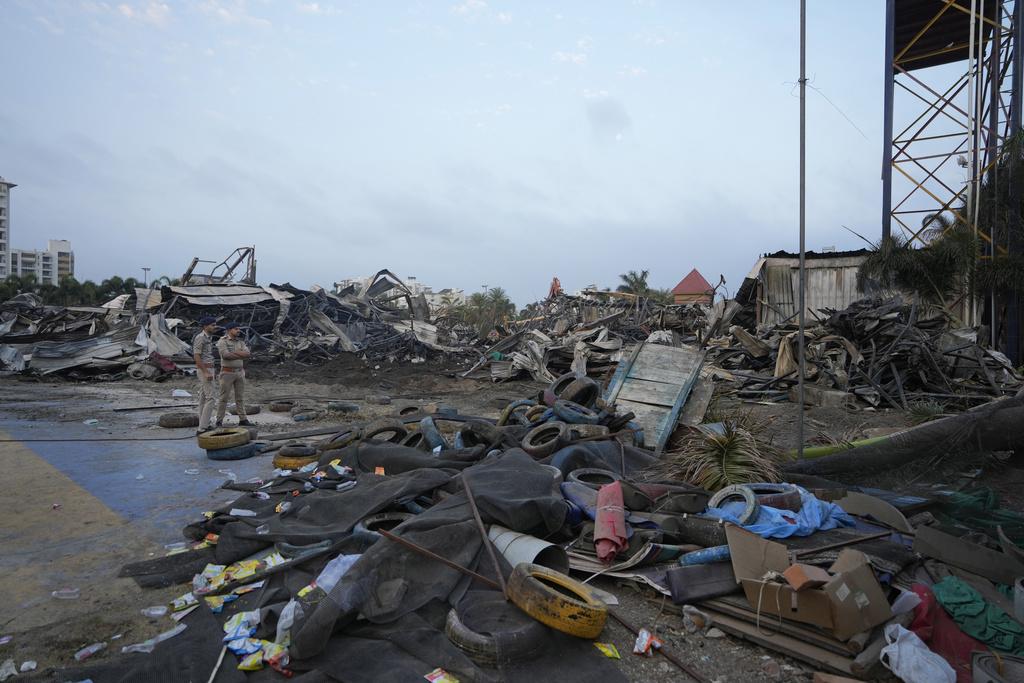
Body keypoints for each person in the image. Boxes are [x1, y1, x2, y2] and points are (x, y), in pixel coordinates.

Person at [215, 322, 253, 427]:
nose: (238, 330)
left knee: (240, 397)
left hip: (240, 372)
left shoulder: (240, 342)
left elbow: (248, 354)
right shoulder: (222, 341)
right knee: (224, 398)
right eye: (236, 329)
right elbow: (226, 355)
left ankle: (243, 419)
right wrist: (240, 353)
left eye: (238, 329)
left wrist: (235, 353)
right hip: (227, 373)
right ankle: (219, 421)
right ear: (229, 330)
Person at [192, 316, 219, 435]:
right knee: (211, 397)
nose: (215, 327)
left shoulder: (209, 337)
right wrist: (206, 372)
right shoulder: (200, 338)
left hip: (209, 368)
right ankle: (202, 428)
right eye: (212, 325)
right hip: (205, 369)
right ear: (205, 326)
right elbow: (197, 356)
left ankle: (203, 425)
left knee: (203, 398)